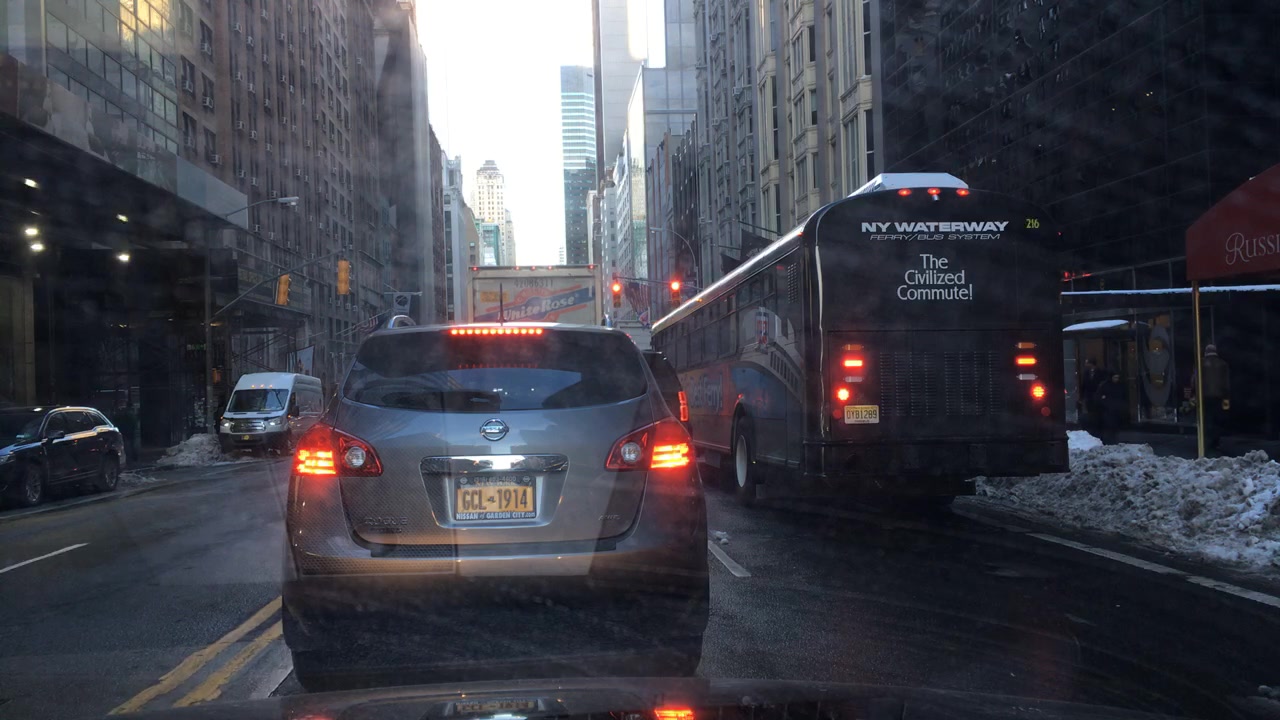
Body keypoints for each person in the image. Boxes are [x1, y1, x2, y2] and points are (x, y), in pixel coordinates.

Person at [1199, 344, 1231, 450]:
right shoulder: (1223, 364)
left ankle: (1207, 440)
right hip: (1219, 396)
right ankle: (1216, 440)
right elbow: (1226, 383)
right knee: (1217, 418)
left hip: (1205, 396)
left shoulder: (1201, 363)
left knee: (1207, 418)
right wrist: (1226, 398)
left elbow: (1195, 380)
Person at [1093, 371, 1126, 445]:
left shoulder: (1120, 386)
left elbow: (1122, 396)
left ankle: (1113, 440)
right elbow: (1098, 396)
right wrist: (1104, 402)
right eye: (1115, 377)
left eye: (1117, 378)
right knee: (1108, 426)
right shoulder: (1105, 385)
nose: (1116, 379)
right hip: (1107, 409)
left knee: (1115, 426)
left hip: (1116, 409)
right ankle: (1108, 441)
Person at [1078, 357, 1106, 434]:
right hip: (1089, 395)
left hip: (1097, 395)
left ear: (1091, 364)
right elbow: (1083, 385)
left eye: (1087, 363)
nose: (1086, 364)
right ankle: (1091, 427)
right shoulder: (1086, 373)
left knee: (1097, 411)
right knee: (1090, 410)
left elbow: (1102, 384)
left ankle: (1098, 427)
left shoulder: (1101, 372)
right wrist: (1081, 396)